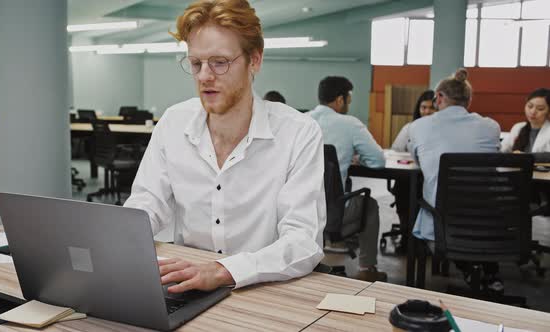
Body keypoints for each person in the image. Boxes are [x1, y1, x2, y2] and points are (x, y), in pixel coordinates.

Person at [123, 0, 326, 293]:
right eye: (196, 63)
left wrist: (222, 271)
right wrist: (119, 242)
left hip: (262, 288)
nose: (204, 76)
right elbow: (147, 203)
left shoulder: (298, 133)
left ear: (254, 60)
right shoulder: (173, 122)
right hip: (184, 283)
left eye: (219, 62)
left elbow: (303, 241)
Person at [409, 68, 502, 293]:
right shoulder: (491, 126)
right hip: (487, 219)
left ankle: (466, 268)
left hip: (442, 221)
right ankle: (484, 272)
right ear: (468, 100)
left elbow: (418, 160)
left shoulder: (419, 126)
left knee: (425, 202)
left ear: (439, 97)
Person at [308, 76, 387, 282]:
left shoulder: (302, 120)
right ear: (340, 99)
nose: (349, 103)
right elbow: (378, 161)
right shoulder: (350, 124)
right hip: (333, 214)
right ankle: (367, 268)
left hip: (299, 210)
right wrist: (357, 156)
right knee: (369, 204)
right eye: (349, 99)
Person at [389, 90, 435, 254]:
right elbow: (395, 150)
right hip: (410, 176)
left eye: (431, 108)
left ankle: (424, 240)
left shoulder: (440, 130)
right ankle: (407, 235)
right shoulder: (410, 128)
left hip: (431, 178)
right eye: (423, 107)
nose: (427, 112)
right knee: (403, 188)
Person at [500, 88, 550, 154]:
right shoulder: (518, 127)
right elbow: (502, 150)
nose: (533, 112)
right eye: (530, 106)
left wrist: (524, 157)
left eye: (540, 109)